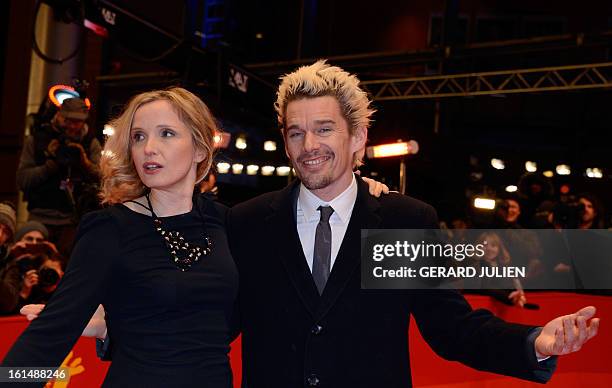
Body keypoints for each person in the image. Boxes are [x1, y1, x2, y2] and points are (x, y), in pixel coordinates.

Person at [226, 61, 598, 387]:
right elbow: (212, 323)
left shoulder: (401, 222)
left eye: (324, 129)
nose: (308, 145)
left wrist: (534, 342)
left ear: (357, 137)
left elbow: (451, 327)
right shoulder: (248, 222)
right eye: (296, 133)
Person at [2, 87, 239, 387]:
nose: (148, 148)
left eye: (166, 133)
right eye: (139, 137)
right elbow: (49, 336)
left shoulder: (225, 222)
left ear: (201, 149)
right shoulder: (109, 229)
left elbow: (220, 323)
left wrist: (112, 327)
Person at [16, 97, 102, 257]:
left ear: (84, 122)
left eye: (77, 122)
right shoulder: (37, 140)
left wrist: (85, 163)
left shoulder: (90, 143)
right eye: (67, 120)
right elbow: (22, 180)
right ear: (59, 116)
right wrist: (50, 165)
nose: (71, 126)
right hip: (39, 217)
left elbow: (104, 180)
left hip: (73, 220)